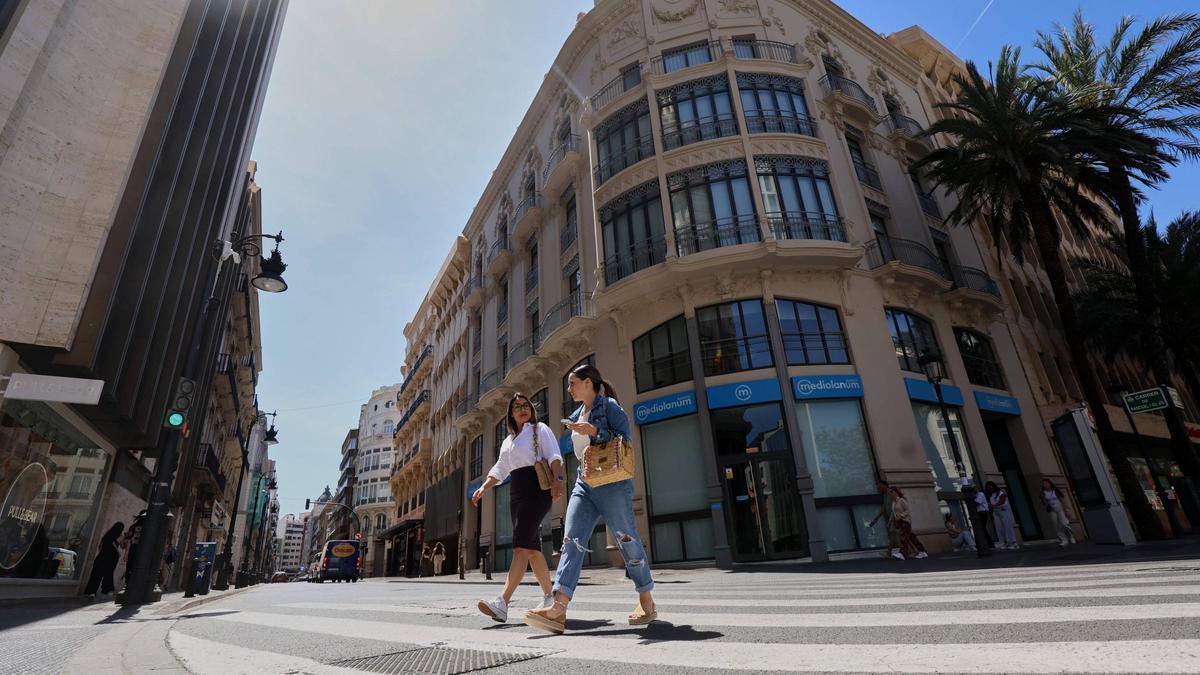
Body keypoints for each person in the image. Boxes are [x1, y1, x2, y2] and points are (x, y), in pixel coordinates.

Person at [524, 364, 656, 634]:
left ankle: (646, 600)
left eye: (573, 383)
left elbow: (626, 440)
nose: (569, 388)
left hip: (612, 484)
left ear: (588, 383)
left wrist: (595, 432)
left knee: (626, 539)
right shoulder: (576, 414)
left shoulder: (609, 407)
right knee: (571, 540)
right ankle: (558, 609)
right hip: (584, 483)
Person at [473, 393, 565, 623]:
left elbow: (554, 455)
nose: (523, 409)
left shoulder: (539, 429)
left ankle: (502, 602)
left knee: (520, 547)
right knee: (532, 549)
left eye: (526, 405)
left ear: (531, 410)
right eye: (517, 407)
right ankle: (549, 598)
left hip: (537, 489)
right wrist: (484, 487)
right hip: (517, 493)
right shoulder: (508, 441)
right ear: (511, 414)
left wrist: (558, 479)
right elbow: (500, 468)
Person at [84, 522, 124, 599]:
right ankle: (107, 590)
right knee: (108, 573)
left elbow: (100, 546)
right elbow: (122, 546)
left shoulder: (107, 535)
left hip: (101, 556)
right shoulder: (120, 536)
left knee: (96, 574)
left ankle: (91, 592)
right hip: (112, 558)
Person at [889, 487, 928, 559]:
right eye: (890, 492)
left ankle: (902, 554)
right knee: (911, 537)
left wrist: (901, 516)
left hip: (905, 521)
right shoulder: (893, 502)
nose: (890, 493)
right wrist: (891, 520)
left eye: (891, 491)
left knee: (903, 537)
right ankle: (922, 552)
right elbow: (893, 513)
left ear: (896, 492)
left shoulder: (901, 500)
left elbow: (908, 510)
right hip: (899, 522)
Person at [867, 478, 902, 559]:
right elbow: (884, 508)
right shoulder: (885, 495)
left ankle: (889, 553)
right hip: (891, 517)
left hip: (895, 516)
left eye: (880, 486)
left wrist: (897, 515)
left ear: (885, 486)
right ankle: (914, 550)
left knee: (895, 534)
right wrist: (876, 519)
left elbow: (898, 502)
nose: (879, 488)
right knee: (897, 534)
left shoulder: (891, 493)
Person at [1040, 479, 1077, 546]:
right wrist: (1046, 504)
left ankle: (1071, 536)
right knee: (1056, 525)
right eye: (1043, 484)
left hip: (1059, 508)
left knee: (1064, 524)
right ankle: (1063, 540)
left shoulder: (1055, 491)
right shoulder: (1043, 493)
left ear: (1050, 484)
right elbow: (1043, 502)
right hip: (1052, 509)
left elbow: (1062, 500)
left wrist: (1066, 509)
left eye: (1046, 483)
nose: (1045, 485)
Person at [986, 481, 1018, 549]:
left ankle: (1012, 542)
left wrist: (993, 505)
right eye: (988, 487)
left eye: (990, 486)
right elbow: (990, 504)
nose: (990, 488)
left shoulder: (1001, 493)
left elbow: (1002, 502)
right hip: (996, 512)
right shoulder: (991, 495)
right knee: (999, 527)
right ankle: (1003, 542)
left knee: (1007, 526)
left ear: (994, 486)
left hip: (1003, 510)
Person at [963, 484, 992, 558]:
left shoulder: (980, 494)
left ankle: (989, 543)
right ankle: (987, 543)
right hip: (978, 513)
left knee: (982, 528)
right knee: (981, 529)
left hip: (982, 513)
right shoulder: (975, 495)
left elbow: (976, 502)